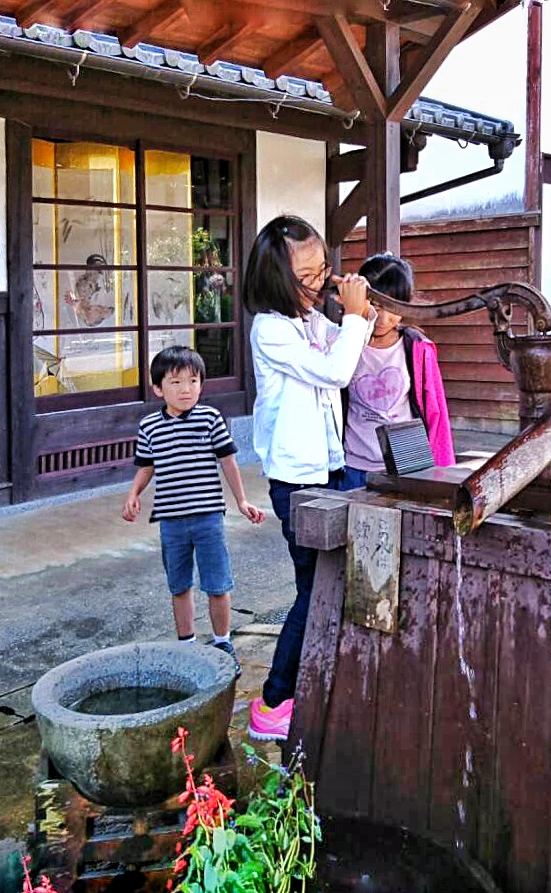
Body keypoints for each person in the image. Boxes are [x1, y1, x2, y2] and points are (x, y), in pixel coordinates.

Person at [245, 215, 374, 741]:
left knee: (329, 584)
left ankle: (312, 681)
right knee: (312, 588)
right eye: (307, 275)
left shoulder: (309, 320)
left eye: (323, 269)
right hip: (297, 482)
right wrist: (356, 319)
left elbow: (347, 347)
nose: (320, 281)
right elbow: (336, 370)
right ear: (277, 278)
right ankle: (274, 702)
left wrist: (362, 312)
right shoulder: (271, 329)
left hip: (329, 469)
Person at [123, 346, 266, 674]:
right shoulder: (149, 426)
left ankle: (222, 642)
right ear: (158, 388)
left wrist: (242, 501)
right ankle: (186, 645)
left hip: (208, 518)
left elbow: (228, 462)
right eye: (175, 382)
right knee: (179, 585)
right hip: (171, 521)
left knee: (218, 583)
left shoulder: (210, 418)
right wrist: (133, 494)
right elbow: (146, 466)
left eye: (193, 381)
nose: (185, 389)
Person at [340, 253, 456, 489]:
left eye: (392, 306)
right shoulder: (346, 343)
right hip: (354, 466)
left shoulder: (418, 349)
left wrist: (443, 474)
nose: (382, 318)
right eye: (375, 305)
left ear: (406, 305)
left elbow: (436, 414)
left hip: (407, 467)